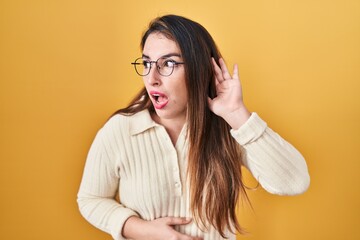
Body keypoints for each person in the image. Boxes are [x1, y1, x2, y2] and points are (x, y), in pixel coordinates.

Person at [77, 14, 310, 240]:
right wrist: (141, 230)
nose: (152, 78)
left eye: (168, 63)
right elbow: (90, 199)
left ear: (200, 70)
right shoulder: (121, 129)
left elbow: (294, 182)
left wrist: (237, 114)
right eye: (147, 63)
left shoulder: (227, 128)